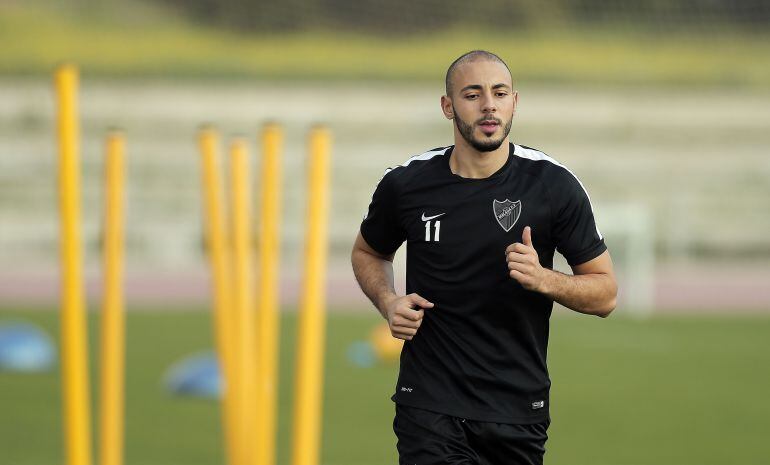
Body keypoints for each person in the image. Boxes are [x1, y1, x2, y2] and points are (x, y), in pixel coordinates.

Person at [350, 50, 617, 465]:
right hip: (429, 404)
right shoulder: (407, 184)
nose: (489, 105)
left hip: (517, 409)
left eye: (500, 93)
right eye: (473, 95)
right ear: (448, 106)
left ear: (515, 102)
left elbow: (605, 294)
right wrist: (388, 302)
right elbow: (368, 251)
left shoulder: (553, 185)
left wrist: (544, 279)